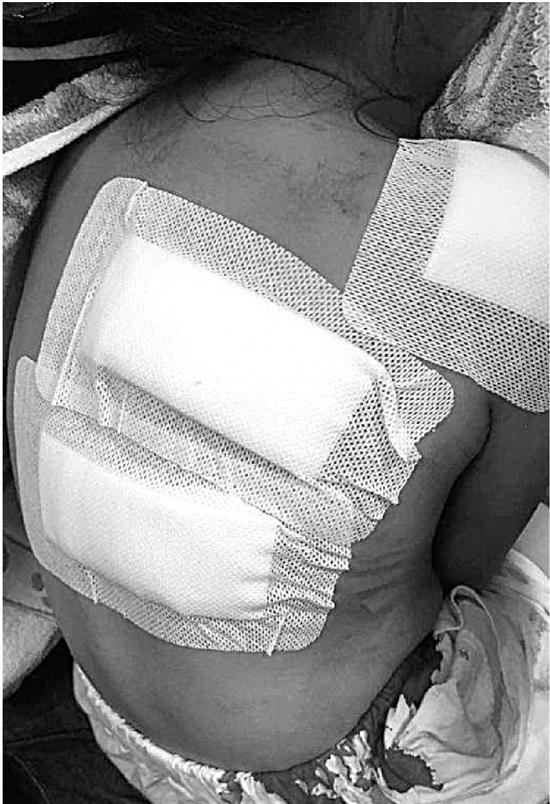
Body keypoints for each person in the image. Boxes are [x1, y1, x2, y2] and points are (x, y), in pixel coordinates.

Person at [4, 4, 548, 803]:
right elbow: (468, 563)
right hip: (337, 768)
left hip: (118, 718)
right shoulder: (496, 230)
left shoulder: (107, 142)